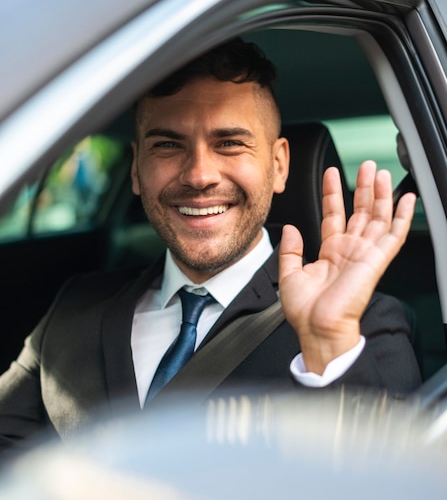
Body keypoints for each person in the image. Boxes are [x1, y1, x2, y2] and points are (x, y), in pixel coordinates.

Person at [0, 38, 421, 453]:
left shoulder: (359, 322)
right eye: (168, 145)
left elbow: (396, 494)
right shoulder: (75, 305)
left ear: (278, 165)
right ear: (135, 168)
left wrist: (329, 346)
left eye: (229, 143)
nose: (200, 175)